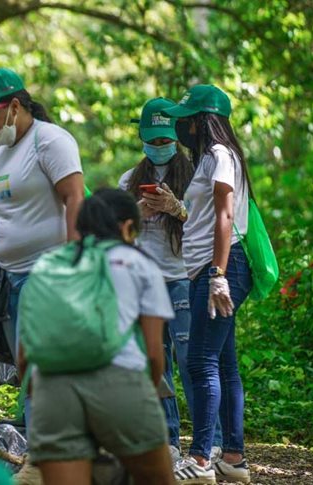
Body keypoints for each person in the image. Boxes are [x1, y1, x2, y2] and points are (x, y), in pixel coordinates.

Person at [0, 68, 84, 428]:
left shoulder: (50, 141)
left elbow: (74, 198)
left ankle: (51, 454)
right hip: (11, 278)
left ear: (14, 106)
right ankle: (41, 454)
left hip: (47, 271)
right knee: (28, 369)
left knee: (38, 362)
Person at [24, 188, 176, 485]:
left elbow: (24, 351)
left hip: (52, 386)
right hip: (121, 381)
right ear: (127, 226)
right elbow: (156, 356)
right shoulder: (139, 263)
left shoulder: (49, 264)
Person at [163, 85, 253, 485]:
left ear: (201, 121)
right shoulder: (207, 160)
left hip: (221, 267)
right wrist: (175, 208)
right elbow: (201, 218)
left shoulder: (220, 155)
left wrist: (218, 276)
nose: (181, 127)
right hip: (208, 267)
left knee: (200, 361)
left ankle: (200, 460)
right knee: (224, 363)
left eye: (185, 119)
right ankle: (232, 459)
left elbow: (225, 214)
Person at [119, 97, 207, 463]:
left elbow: (207, 228)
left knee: (191, 360)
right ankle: (168, 440)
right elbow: (116, 234)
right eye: (152, 141)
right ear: (141, 138)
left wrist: (177, 208)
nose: (159, 148)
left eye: (164, 141)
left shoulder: (196, 176)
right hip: (143, 283)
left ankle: (206, 442)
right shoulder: (129, 180)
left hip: (181, 278)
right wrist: (136, 213)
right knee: (156, 365)